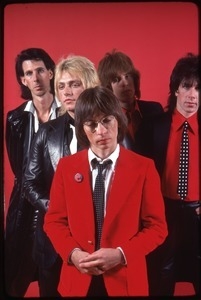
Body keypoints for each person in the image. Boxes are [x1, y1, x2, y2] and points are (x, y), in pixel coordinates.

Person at [43, 86, 168, 297]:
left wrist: (121, 254)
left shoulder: (144, 168)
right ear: (82, 129)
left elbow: (157, 228)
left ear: (118, 120)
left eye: (107, 121)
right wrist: (72, 254)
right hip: (78, 280)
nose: (100, 131)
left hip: (125, 281)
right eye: (91, 124)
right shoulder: (66, 167)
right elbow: (54, 221)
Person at [23, 55, 100, 297]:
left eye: (74, 84)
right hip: (52, 243)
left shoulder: (110, 128)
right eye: (62, 86)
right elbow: (29, 182)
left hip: (97, 243)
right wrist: (57, 207)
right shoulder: (47, 132)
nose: (67, 92)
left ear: (90, 84)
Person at [135, 53, 200, 296]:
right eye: (187, 86)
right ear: (175, 89)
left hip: (197, 211)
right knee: (161, 273)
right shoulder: (154, 125)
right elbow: (138, 175)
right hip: (164, 212)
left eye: (198, 88)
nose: (193, 94)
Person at [4, 47, 60, 297]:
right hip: (25, 206)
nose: (35, 79)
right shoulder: (15, 119)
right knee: (15, 273)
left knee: (57, 275)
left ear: (50, 72)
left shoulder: (70, 111)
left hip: (60, 201)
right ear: (23, 80)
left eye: (40, 71)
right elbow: (19, 167)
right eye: (28, 73)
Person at [97, 49, 164, 150]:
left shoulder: (154, 110)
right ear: (108, 87)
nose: (125, 83)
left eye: (127, 76)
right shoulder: (103, 120)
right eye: (117, 80)